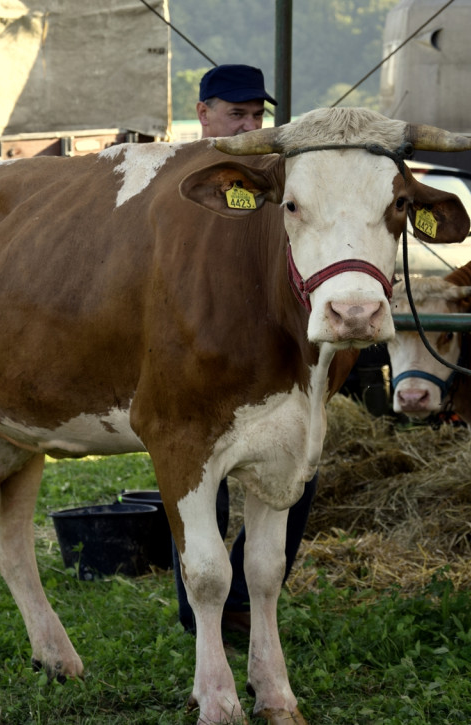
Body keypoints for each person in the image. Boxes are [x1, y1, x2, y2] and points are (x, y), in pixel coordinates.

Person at [172, 64, 318, 635]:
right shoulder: (177, 178)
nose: (252, 126)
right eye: (237, 114)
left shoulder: (276, 181)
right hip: (197, 351)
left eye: (259, 115)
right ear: (203, 112)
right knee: (199, 478)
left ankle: (239, 600)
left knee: (295, 475)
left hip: (265, 353)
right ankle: (202, 608)